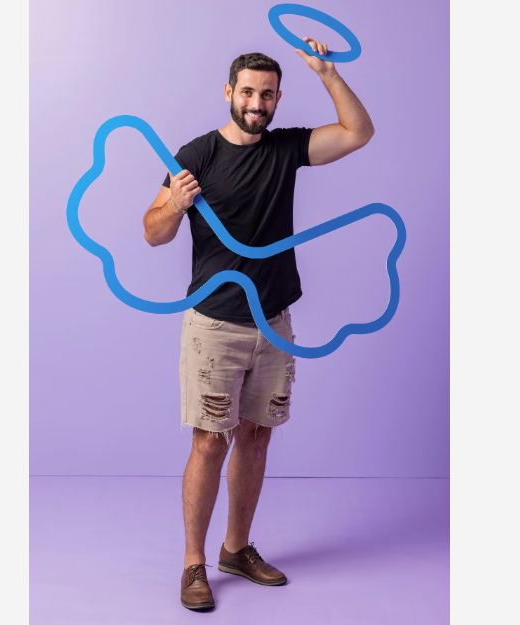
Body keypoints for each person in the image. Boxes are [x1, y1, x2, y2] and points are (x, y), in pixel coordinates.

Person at [142, 38, 374, 610]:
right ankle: (193, 564)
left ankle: (236, 549)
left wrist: (328, 73)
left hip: (273, 323)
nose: (256, 102)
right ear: (229, 92)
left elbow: (358, 132)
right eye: (247, 91)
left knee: (255, 436)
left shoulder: (285, 148)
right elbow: (152, 232)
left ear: (276, 100)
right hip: (215, 325)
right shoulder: (197, 154)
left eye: (267, 94)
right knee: (209, 442)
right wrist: (175, 202)